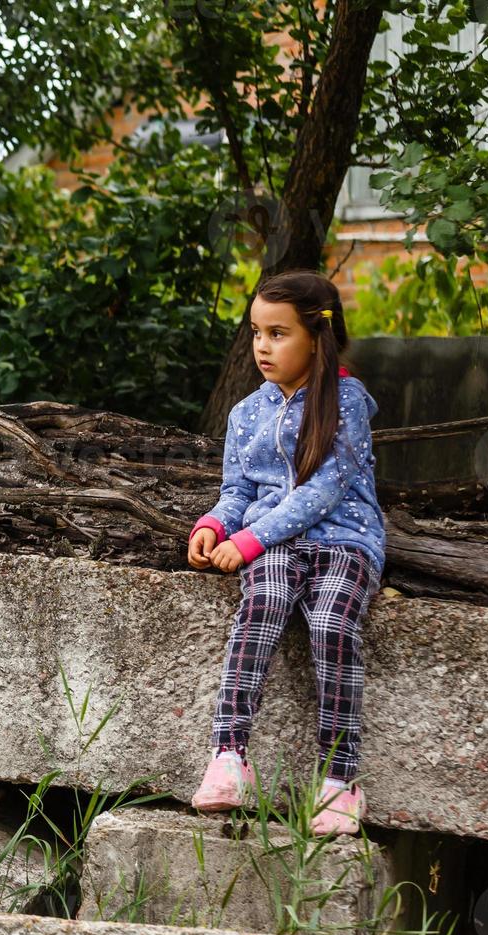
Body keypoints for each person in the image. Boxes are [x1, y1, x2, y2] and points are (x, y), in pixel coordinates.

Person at [186, 269, 387, 836]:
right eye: (256, 332)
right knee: (262, 608)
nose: (262, 347)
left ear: (316, 337)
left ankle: (339, 780)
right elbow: (238, 491)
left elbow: (325, 491)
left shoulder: (346, 401)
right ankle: (228, 758)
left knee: (330, 623)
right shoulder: (247, 412)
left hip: (344, 538)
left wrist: (247, 539)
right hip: (273, 546)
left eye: (278, 334)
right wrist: (214, 526)